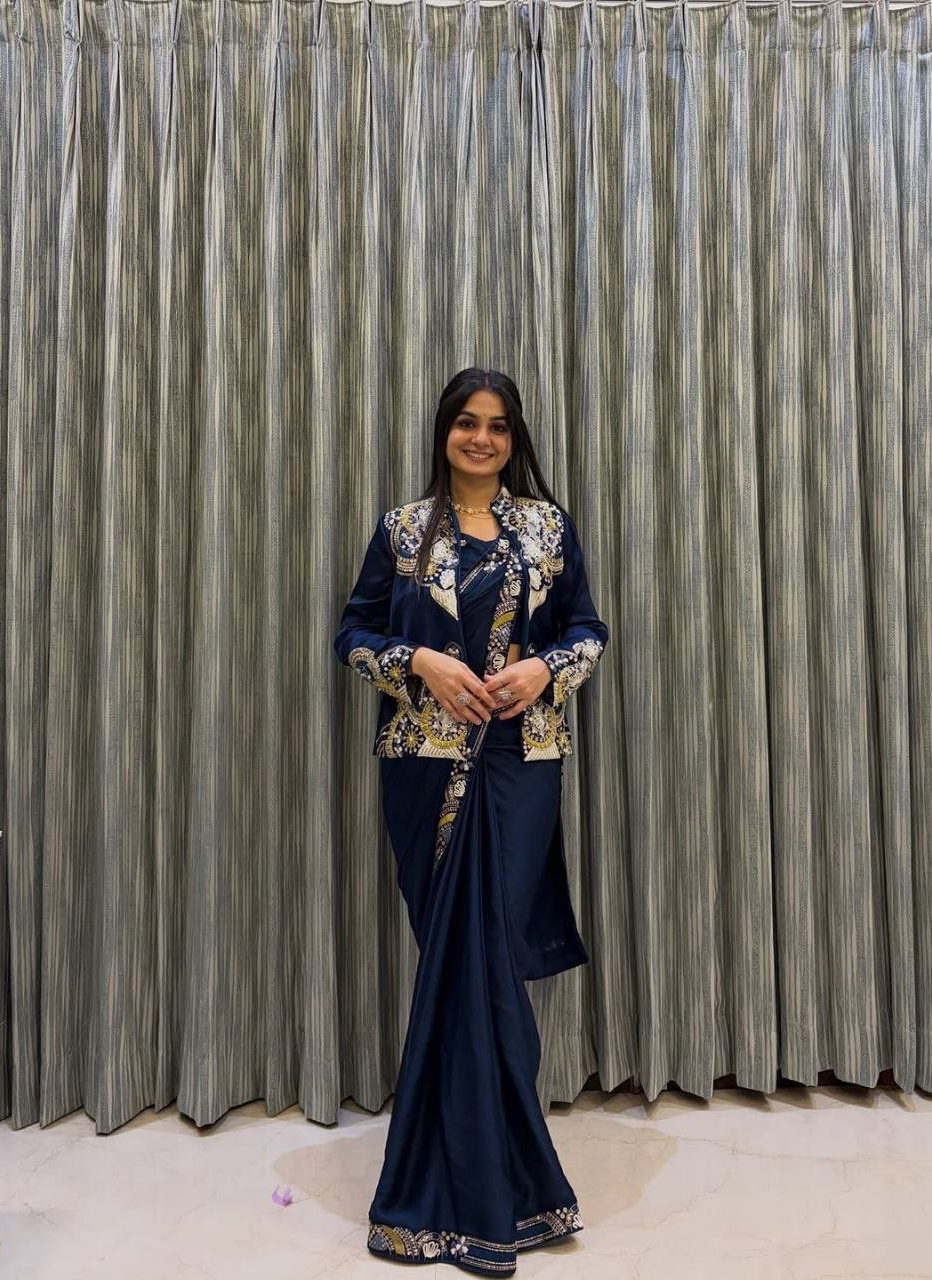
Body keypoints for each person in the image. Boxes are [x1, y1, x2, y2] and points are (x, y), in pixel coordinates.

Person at [333, 367, 609, 1275]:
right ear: (444, 431)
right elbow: (352, 634)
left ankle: (493, 1187)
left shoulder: (546, 527)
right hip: (423, 767)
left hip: (521, 764)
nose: (480, 438)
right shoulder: (403, 530)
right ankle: (494, 1187)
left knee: (486, 953)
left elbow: (587, 630)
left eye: (496, 425)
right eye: (465, 422)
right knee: (454, 963)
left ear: (512, 438)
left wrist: (544, 670)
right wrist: (418, 661)